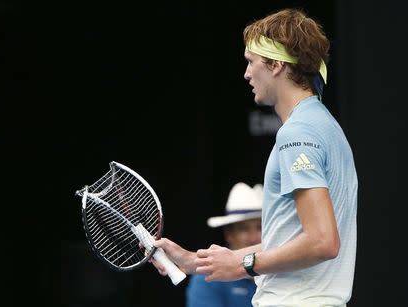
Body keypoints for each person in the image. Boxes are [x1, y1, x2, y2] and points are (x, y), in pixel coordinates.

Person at [153, 8, 358, 307]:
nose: (246, 74)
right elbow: (293, 241)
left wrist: (241, 264)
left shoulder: (298, 133)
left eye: (251, 62)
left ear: (275, 64)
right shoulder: (326, 127)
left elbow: (323, 241)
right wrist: (193, 262)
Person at [186, 182, 263, 307]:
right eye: (244, 229)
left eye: (260, 228)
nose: (253, 238)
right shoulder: (207, 277)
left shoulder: (284, 271)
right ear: (229, 234)